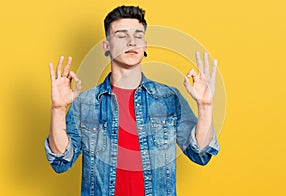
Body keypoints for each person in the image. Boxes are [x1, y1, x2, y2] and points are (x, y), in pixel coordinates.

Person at [44, 5, 220, 196]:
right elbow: (61, 160)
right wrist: (58, 109)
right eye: (121, 36)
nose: (131, 42)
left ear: (144, 45)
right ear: (106, 46)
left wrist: (205, 106)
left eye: (138, 35)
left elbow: (201, 154)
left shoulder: (169, 98)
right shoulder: (85, 103)